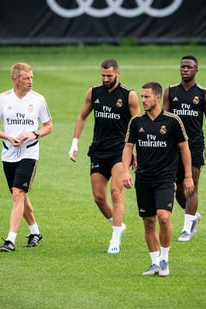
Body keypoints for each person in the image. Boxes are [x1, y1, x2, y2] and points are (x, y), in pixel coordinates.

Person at [122, 82, 194, 277]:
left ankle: (164, 259)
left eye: (146, 97)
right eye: (142, 96)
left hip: (165, 178)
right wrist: (125, 171)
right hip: (143, 178)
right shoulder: (136, 121)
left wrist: (187, 176)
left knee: (164, 217)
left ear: (157, 98)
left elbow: (184, 148)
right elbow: (128, 147)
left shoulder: (172, 121)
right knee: (148, 222)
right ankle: (154, 263)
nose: (142, 100)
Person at [69, 59, 140, 254]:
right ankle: (118, 224)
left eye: (109, 76)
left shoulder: (129, 96)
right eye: (103, 75)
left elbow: (138, 126)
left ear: (118, 73)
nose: (105, 79)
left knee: (116, 193)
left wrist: (136, 153)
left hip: (120, 152)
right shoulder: (94, 92)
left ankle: (115, 239)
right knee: (99, 197)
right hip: (99, 151)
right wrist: (75, 142)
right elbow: (82, 116)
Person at [0, 62, 53, 252]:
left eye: (31, 77)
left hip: (29, 152)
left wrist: (35, 134)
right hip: (8, 153)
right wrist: (7, 136)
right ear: (15, 80)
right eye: (26, 78)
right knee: (20, 196)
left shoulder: (39, 100)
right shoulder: (2, 99)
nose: (30, 81)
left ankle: (10, 239)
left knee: (18, 193)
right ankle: (35, 232)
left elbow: (49, 126)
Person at [163, 55, 206, 242]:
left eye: (189, 67)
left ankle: (187, 228)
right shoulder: (170, 92)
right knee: (178, 189)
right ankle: (193, 217)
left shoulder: (204, 94)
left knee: (191, 186)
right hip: (174, 146)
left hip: (195, 145)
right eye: (182, 67)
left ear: (197, 70)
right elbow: (164, 119)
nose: (185, 70)